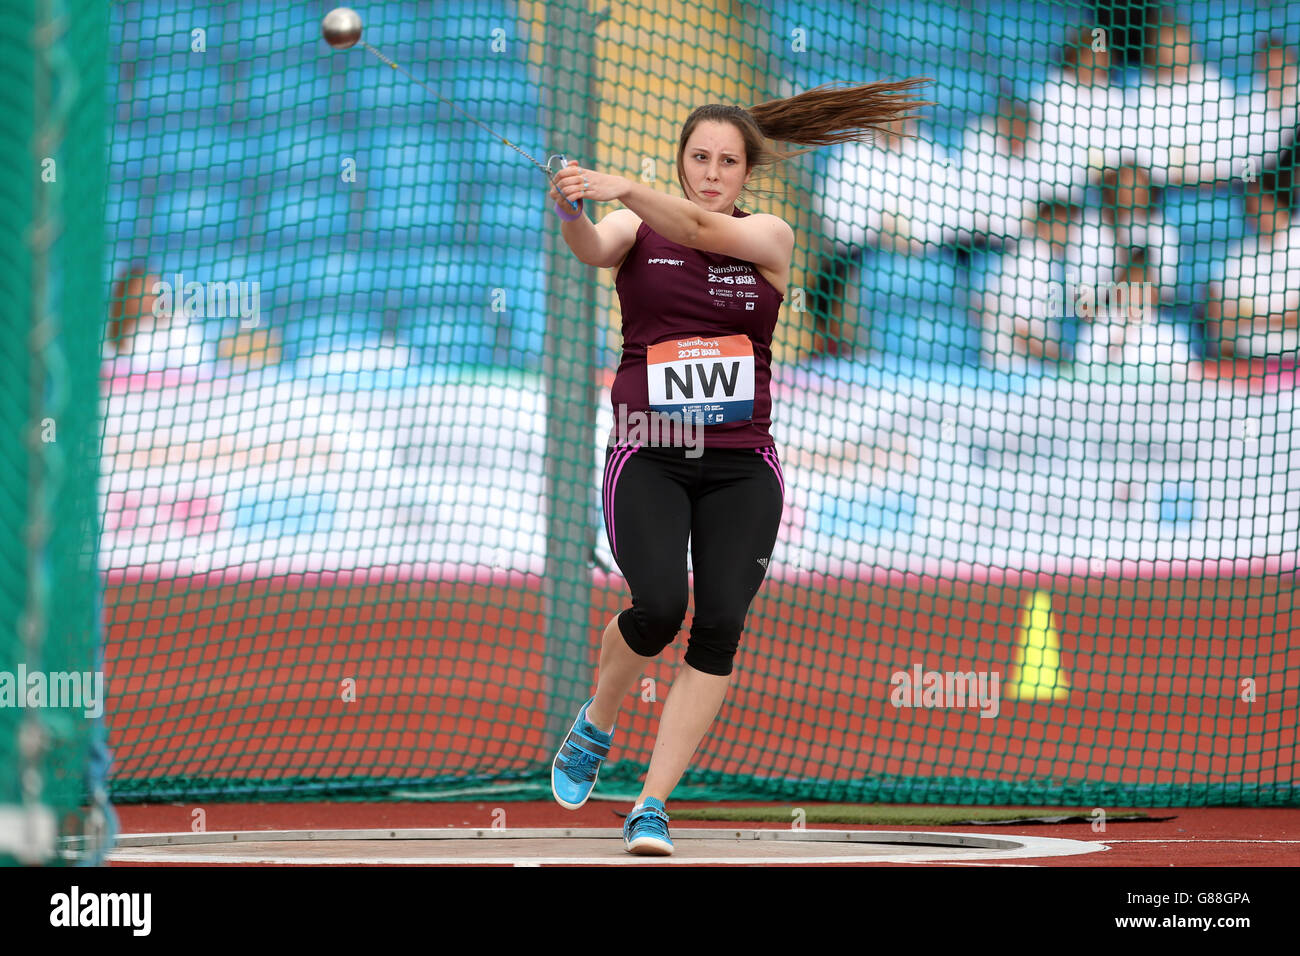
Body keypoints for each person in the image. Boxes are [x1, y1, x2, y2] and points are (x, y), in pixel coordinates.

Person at [545, 79, 932, 855]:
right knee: (656, 607)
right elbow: (591, 249)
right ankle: (597, 722)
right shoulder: (633, 225)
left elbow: (694, 224)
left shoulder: (773, 237)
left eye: (727, 161)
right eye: (700, 158)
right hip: (647, 453)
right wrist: (573, 209)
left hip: (740, 465)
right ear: (682, 161)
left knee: (718, 626)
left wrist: (624, 182)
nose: (712, 173)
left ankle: (651, 804)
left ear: (746, 174)